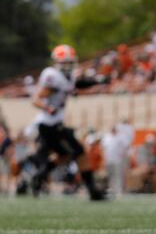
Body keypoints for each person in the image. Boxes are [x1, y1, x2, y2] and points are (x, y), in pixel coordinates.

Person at [28, 45, 107, 200]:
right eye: (65, 63)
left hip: (53, 125)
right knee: (79, 151)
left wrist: (98, 80)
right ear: (57, 63)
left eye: (70, 62)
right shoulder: (53, 77)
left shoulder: (67, 77)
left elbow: (78, 84)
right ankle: (92, 191)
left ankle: (40, 174)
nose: (68, 66)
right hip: (50, 125)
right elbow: (36, 99)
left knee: (66, 155)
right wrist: (48, 108)